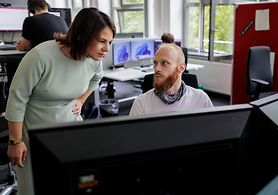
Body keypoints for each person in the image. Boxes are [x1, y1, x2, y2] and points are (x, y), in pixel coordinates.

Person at [6, 7, 116, 195]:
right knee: (36, 186)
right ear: (83, 35)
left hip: (69, 124)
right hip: (34, 127)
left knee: (71, 182)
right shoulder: (41, 55)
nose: (107, 48)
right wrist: (15, 141)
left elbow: (97, 78)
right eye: (102, 41)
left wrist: (80, 100)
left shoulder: (94, 60)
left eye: (110, 42)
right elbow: (17, 98)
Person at [130, 44, 213, 116]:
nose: (157, 68)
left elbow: (213, 130)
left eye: (164, 63)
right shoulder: (141, 103)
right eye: (155, 63)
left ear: (181, 68)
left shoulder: (200, 99)